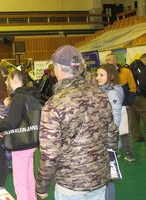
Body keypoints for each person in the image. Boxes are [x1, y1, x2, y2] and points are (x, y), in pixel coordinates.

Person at [36, 45, 119, 200]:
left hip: (70, 185)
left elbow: (49, 154)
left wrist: (41, 186)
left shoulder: (54, 104)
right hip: (98, 180)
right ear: (80, 68)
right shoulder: (100, 95)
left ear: (58, 69)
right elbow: (112, 132)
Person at [0, 69, 41, 200]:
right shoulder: (31, 95)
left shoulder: (18, 97)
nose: (6, 82)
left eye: (8, 79)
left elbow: (11, 122)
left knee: (20, 182)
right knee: (29, 179)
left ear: (14, 80)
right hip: (31, 142)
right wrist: (6, 109)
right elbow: (21, 117)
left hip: (20, 144)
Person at [96, 64, 124, 200]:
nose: (97, 78)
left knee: (107, 179)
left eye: (101, 75)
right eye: (97, 74)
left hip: (108, 143)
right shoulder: (104, 91)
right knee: (107, 178)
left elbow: (115, 120)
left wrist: (107, 141)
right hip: (105, 141)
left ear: (110, 76)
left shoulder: (112, 93)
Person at [106, 54, 136, 162]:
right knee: (111, 130)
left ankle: (128, 152)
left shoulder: (126, 72)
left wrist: (128, 102)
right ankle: (114, 152)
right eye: (106, 60)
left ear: (115, 60)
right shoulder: (106, 74)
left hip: (123, 106)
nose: (107, 61)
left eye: (109, 59)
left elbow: (132, 88)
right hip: (109, 108)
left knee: (124, 130)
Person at [128, 56, 146, 142]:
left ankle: (137, 136)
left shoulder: (130, 67)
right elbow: (143, 83)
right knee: (144, 114)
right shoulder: (140, 68)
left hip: (130, 95)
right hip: (139, 95)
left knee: (133, 117)